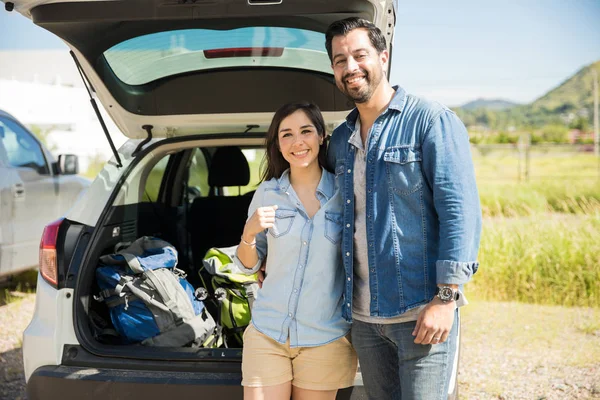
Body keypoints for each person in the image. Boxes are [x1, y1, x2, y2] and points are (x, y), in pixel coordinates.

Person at [324, 17, 482, 400]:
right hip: (363, 321)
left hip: (421, 314)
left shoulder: (430, 121)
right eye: (340, 60)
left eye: (359, 55)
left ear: (383, 56)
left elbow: (460, 213)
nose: (351, 67)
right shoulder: (340, 139)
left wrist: (446, 299)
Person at [236, 102, 358, 400]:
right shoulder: (267, 193)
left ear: (321, 136)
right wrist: (248, 233)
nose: (297, 142)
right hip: (268, 332)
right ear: (278, 145)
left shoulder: (346, 194)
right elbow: (248, 266)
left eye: (305, 131)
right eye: (286, 135)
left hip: (325, 337)